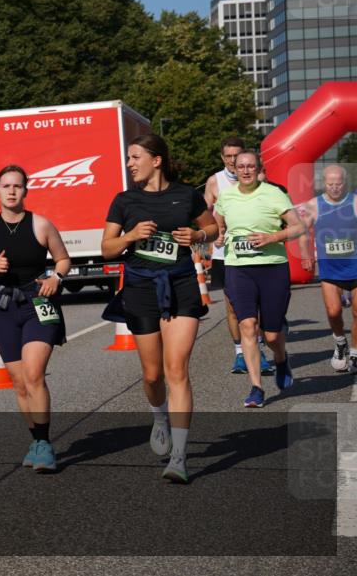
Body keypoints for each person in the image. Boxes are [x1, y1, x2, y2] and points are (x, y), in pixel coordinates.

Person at [101, 134, 217, 484]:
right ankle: (160, 416)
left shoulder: (186, 195)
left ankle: (179, 457)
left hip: (181, 285)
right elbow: (107, 248)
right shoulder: (124, 200)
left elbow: (212, 227)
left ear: (157, 160)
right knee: (152, 375)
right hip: (140, 289)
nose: (129, 164)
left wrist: (197, 237)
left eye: (135, 157)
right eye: (128, 158)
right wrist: (130, 235)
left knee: (176, 369)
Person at [0, 164, 71, 472]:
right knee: (19, 383)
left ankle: (44, 443)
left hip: (38, 302)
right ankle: (36, 441)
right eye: (6, 186)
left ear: (25, 190)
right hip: (4, 308)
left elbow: (63, 259)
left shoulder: (41, 224)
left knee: (34, 373)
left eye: (17, 186)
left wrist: (56, 278)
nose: (12, 191)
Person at [214, 150, 306, 409]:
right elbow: (218, 220)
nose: (245, 171)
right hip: (238, 268)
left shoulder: (274, 194)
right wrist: (218, 234)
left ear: (258, 168)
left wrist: (272, 237)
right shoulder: (226, 196)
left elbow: (299, 226)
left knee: (272, 335)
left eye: (250, 166)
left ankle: (281, 358)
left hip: (272, 268)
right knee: (248, 325)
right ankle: (256, 388)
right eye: (241, 166)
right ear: (234, 169)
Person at [204, 136, 273, 375]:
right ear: (222, 158)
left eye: (237, 155)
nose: (233, 161)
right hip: (226, 255)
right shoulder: (214, 181)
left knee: (258, 305)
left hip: (256, 252)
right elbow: (204, 215)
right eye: (229, 156)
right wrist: (214, 234)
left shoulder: (259, 178)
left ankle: (259, 350)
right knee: (233, 306)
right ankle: (240, 353)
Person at [296, 164, 357, 373]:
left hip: (355, 265)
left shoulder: (354, 201)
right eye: (330, 184)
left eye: (338, 184)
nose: (334, 188)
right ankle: (340, 342)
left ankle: (355, 353)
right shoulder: (314, 205)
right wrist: (305, 254)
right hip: (330, 268)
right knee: (333, 311)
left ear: (344, 183)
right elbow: (303, 232)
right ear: (323, 184)